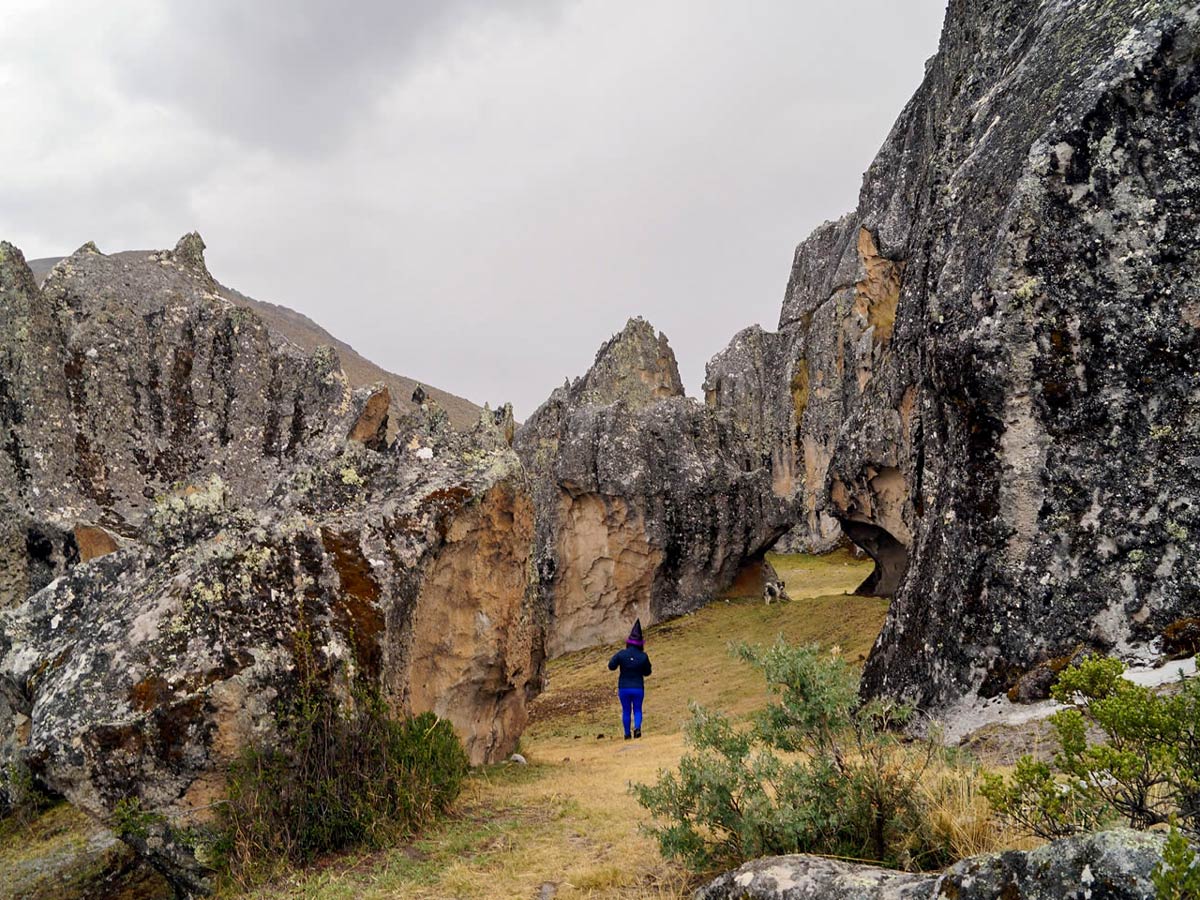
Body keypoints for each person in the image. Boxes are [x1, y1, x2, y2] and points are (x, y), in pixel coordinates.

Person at [608, 619, 652, 740]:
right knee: (637, 709)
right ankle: (637, 728)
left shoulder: (622, 654)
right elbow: (648, 672)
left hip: (624, 687)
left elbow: (611, 666)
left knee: (626, 710)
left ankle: (627, 734)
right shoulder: (643, 656)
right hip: (638, 687)